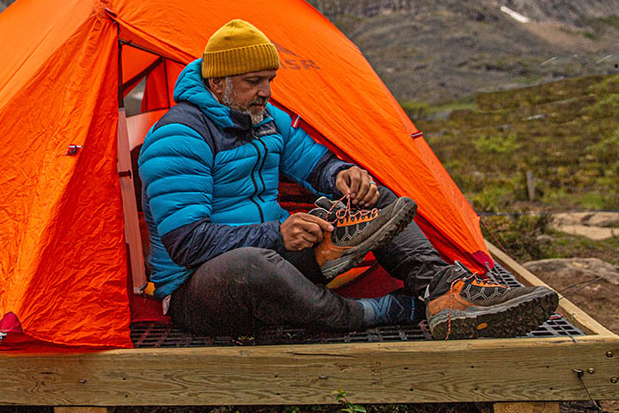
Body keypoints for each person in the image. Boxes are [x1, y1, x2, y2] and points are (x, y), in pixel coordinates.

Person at [138, 19, 558, 340]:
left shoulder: (267, 120)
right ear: (218, 83)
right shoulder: (179, 137)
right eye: (253, 83)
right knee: (252, 265)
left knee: (378, 200)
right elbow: (188, 241)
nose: (267, 92)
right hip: (200, 286)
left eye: (270, 81)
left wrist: (344, 176)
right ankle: (389, 310)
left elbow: (314, 163)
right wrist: (277, 234)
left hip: (272, 253)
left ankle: (444, 292)